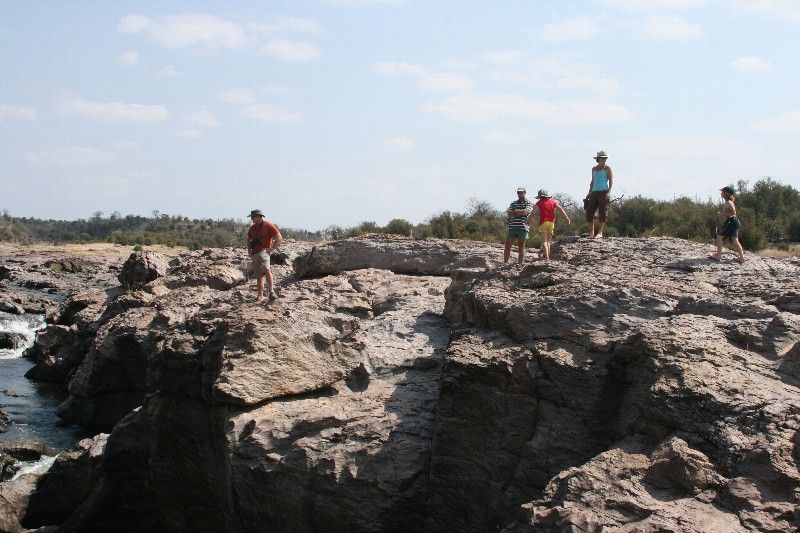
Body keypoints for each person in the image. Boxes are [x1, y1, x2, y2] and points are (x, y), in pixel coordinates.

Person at [247, 209, 283, 300]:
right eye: (252, 218)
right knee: (259, 275)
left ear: (259, 217)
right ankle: (260, 295)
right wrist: (249, 250)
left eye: (254, 217)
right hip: (254, 253)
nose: (253, 219)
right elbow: (248, 239)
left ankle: (271, 291)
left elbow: (279, 237)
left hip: (264, 251)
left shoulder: (268, 225)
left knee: (267, 269)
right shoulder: (252, 228)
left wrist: (272, 248)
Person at [709, 186, 744, 264]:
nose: (721, 193)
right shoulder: (729, 202)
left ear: (726, 193)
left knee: (719, 236)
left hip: (731, 221)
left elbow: (733, 213)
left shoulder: (729, 202)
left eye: (722, 192)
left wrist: (721, 213)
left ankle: (718, 255)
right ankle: (741, 258)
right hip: (734, 222)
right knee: (735, 240)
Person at [533, 189, 571, 261]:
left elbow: (533, 212)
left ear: (540, 196)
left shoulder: (539, 202)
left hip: (543, 222)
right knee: (548, 241)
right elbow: (561, 209)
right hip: (551, 223)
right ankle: (548, 257)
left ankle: (546, 258)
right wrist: (567, 219)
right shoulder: (553, 202)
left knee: (544, 241)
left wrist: (528, 219)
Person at [585, 150, 613, 238]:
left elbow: (611, 181)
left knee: (602, 213)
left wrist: (608, 192)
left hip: (603, 192)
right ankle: (591, 233)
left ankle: (600, 233)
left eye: (605, 158)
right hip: (594, 192)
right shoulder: (594, 169)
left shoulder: (607, 168)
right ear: (598, 158)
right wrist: (589, 192)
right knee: (589, 212)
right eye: (603, 158)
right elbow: (592, 181)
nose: (605, 159)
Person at [504, 187, 533, 265]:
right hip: (512, 227)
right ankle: (505, 263)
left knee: (521, 247)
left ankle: (519, 265)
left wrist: (515, 211)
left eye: (521, 192)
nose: (519, 194)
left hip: (523, 228)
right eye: (518, 192)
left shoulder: (529, 203)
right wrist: (520, 212)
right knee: (507, 246)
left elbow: (526, 212)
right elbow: (509, 213)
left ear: (524, 192)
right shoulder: (513, 203)